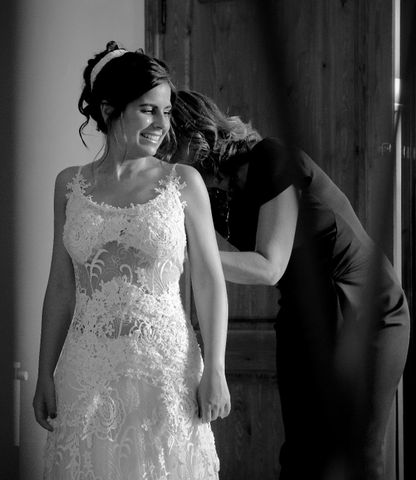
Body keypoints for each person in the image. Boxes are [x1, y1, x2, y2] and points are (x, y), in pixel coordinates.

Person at [168, 90, 411, 480]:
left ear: (193, 137)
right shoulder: (206, 194)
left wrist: (185, 258)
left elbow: (268, 267)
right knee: (301, 452)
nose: (162, 161)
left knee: (356, 453)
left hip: (364, 306)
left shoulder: (272, 159)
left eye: (167, 147)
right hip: (302, 308)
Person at [32, 43, 231, 480]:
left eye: (165, 110)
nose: (162, 124)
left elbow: (210, 281)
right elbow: (61, 286)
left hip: (166, 376)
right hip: (86, 374)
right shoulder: (69, 185)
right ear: (109, 110)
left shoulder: (183, 182)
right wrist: (44, 372)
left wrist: (214, 367)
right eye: (148, 110)